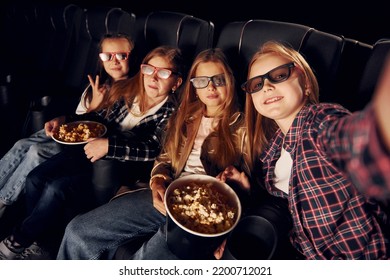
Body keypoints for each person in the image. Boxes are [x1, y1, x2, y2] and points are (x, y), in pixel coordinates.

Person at [56, 48, 249, 260]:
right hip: (165, 194)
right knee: (77, 231)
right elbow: (164, 157)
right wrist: (158, 180)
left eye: (218, 80)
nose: (210, 87)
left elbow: (245, 183)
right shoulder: (184, 117)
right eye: (202, 81)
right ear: (194, 86)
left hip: (202, 208)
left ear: (230, 80)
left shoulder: (244, 127)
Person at [0, 45, 184, 260]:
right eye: (148, 69)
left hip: (114, 171)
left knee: (55, 189)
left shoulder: (172, 111)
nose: (153, 77)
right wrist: (67, 120)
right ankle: (40, 244)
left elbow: (153, 149)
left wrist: (109, 146)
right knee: (35, 177)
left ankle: (18, 241)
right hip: (87, 154)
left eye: (163, 73)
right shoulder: (129, 93)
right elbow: (100, 121)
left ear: (176, 82)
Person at [217, 41, 390, 259]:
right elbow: (294, 207)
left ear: (306, 83)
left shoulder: (320, 121)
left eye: (279, 75)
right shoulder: (273, 152)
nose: (267, 87)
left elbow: (369, 142)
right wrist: (247, 193)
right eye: (256, 85)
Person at [0, 33, 134, 220]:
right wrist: (62, 119)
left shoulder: (133, 91)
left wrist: (95, 107)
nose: (114, 61)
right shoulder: (97, 84)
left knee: (36, 151)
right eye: (107, 56)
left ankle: (4, 201)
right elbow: (78, 116)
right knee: (21, 144)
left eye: (121, 55)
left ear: (131, 56)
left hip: (83, 145)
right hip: (70, 130)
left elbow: (102, 128)